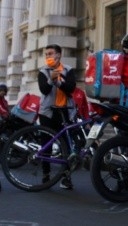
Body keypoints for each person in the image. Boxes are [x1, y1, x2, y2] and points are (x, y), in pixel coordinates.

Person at [38, 44, 76, 189]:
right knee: (46, 145)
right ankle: (46, 175)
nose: (48, 56)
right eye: (46, 54)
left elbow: (71, 88)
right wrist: (50, 80)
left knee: (66, 145)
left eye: (50, 53)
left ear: (58, 55)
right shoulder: (43, 71)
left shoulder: (68, 70)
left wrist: (58, 81)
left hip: (64, 112)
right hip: (47, 112)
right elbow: (44, 90)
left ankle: (66, 177)